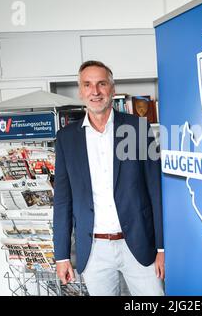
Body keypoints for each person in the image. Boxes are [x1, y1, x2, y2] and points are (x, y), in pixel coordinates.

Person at [53, 60, 164, 296]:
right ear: (80, 91)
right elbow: (62, 201)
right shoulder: (66, 138)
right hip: (94, 250)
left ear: (112, 90)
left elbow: (156, 190)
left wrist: (162, 248)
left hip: (139, 243)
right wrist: (61, 256)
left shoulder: (138, 128)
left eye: (102, 84)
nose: (95, 91)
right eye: (88, 85)